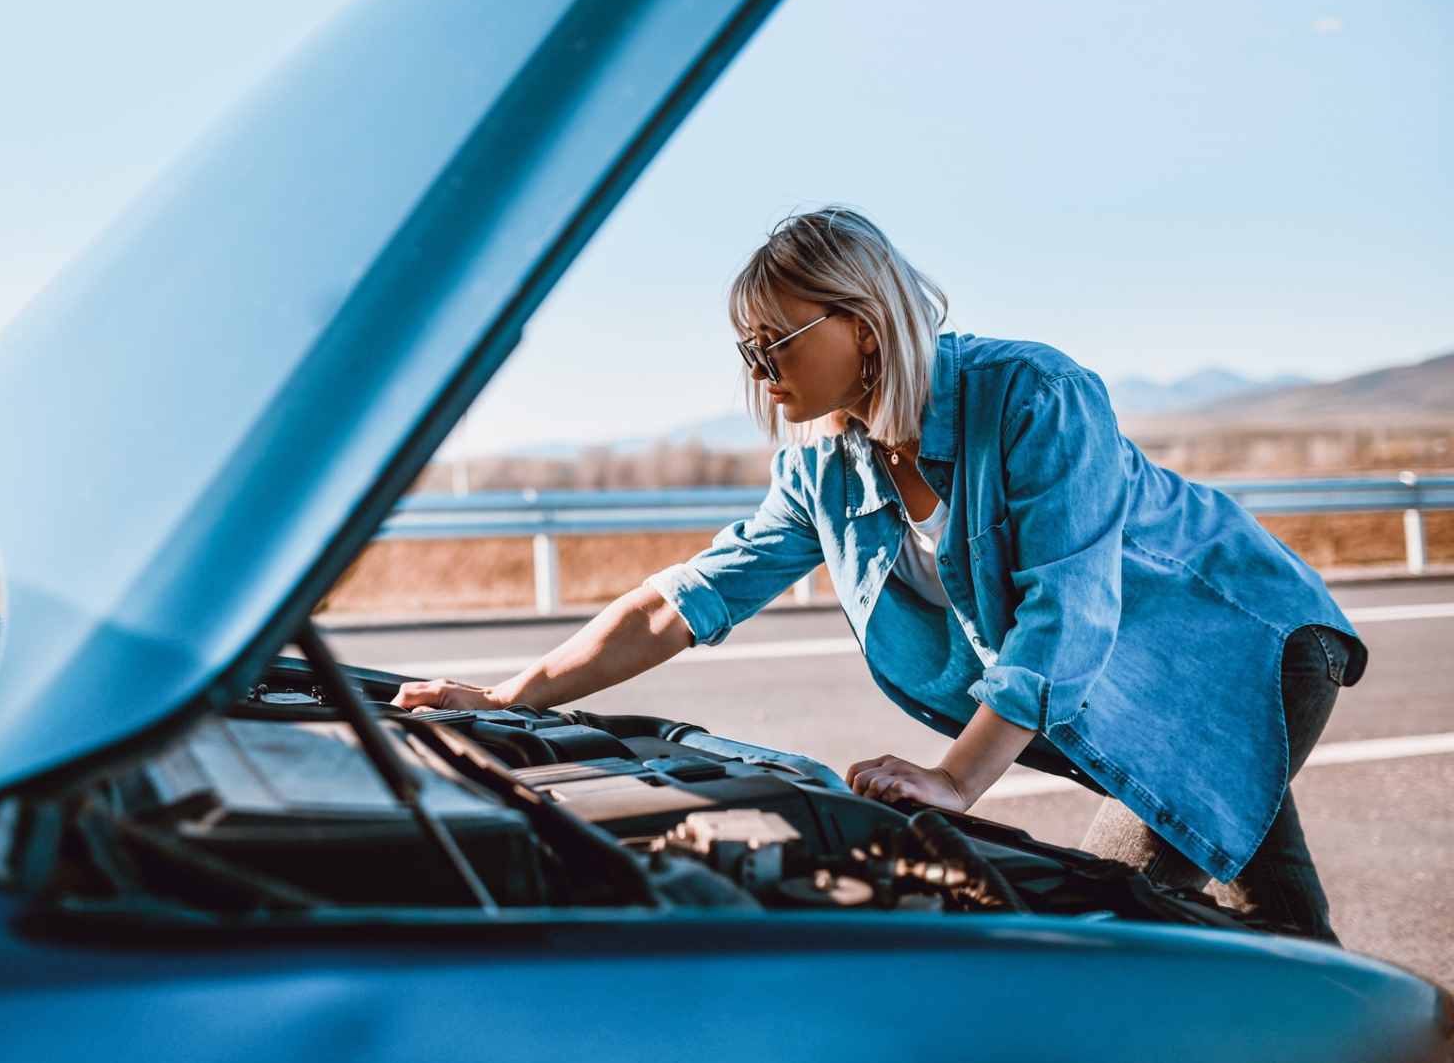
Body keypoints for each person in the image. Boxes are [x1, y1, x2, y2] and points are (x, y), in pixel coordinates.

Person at [395, 206, 1364, 941]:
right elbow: (682, 601)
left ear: (861, 325)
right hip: (1102, 687)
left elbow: (1067, 606)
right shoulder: (822, 464)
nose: (756, 368)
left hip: (1235, 645)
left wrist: (953, 780)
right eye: (743, 349)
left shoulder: (1031, 396)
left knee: (1121, 921)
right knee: (1267, 927)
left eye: (771, 341)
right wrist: (507, 699)